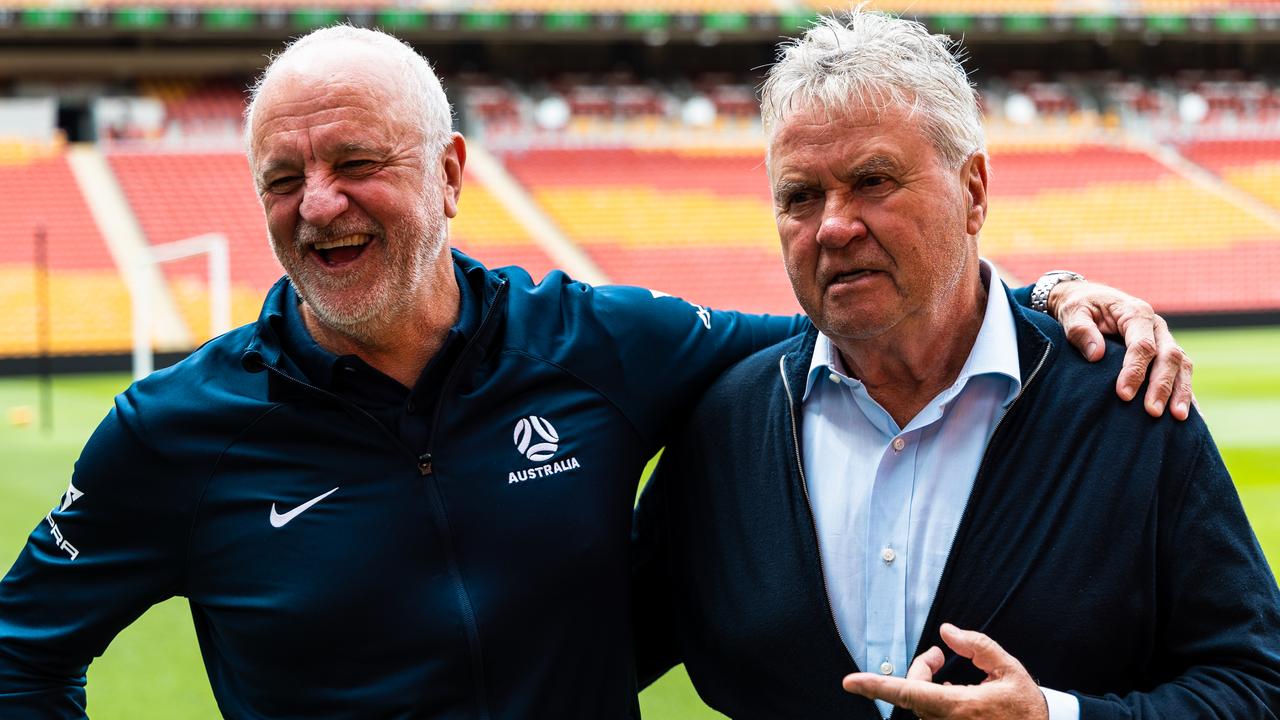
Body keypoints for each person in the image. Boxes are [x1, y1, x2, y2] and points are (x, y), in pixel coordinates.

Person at [0, 25, 1193, 720]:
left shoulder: (599, 346)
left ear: (452, 172)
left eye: (358, 162)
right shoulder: (172, 430)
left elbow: (845, 323)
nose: (318, 207)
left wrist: (1041, 296)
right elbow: (23, 649)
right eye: (281, 177)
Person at [631, 10, 1280, 720]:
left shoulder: (1128, 408)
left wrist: (1056, 717)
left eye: (873, 180)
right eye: (800, 196)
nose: (834, 226)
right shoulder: (724, 428)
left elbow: (1255, 685)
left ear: (974, 192)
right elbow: (579, 657)